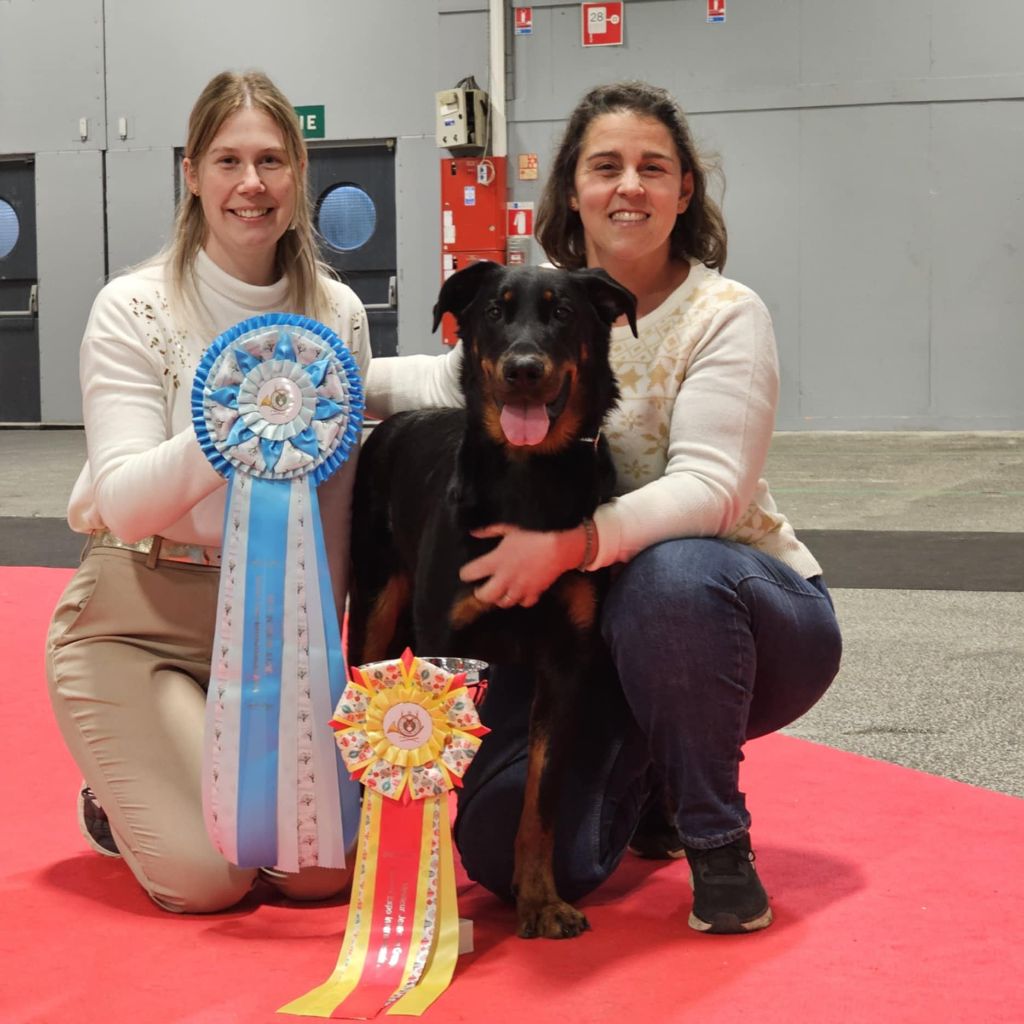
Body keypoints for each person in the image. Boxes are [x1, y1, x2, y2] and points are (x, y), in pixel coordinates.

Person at [365, 81, 842, 934]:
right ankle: (641, 771)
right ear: (573, 188)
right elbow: (434, 381)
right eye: (606, 166)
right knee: (499, 854)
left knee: (670, 577)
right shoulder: (534, 302)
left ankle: (715, 840)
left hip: (741, 609)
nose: (629, 186)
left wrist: (567, 549)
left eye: (653, 168)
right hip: (613, 638)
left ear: (683, 191)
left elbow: (709, 490)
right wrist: (297, 383)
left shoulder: (725, 314)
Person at [45, 70, 369, 913]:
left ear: (298, 173)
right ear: (193, 173)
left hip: (278, 625)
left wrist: (321, 664)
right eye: (228, 160)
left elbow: (333, 502)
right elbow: (123, 502)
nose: (251, 184)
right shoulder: (132, 306)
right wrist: (238, 418)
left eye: (271, 160)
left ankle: (174, 771)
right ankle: (115, 798)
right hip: (139, 616)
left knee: (321, 872)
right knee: (211, 879)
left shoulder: (338, 313)